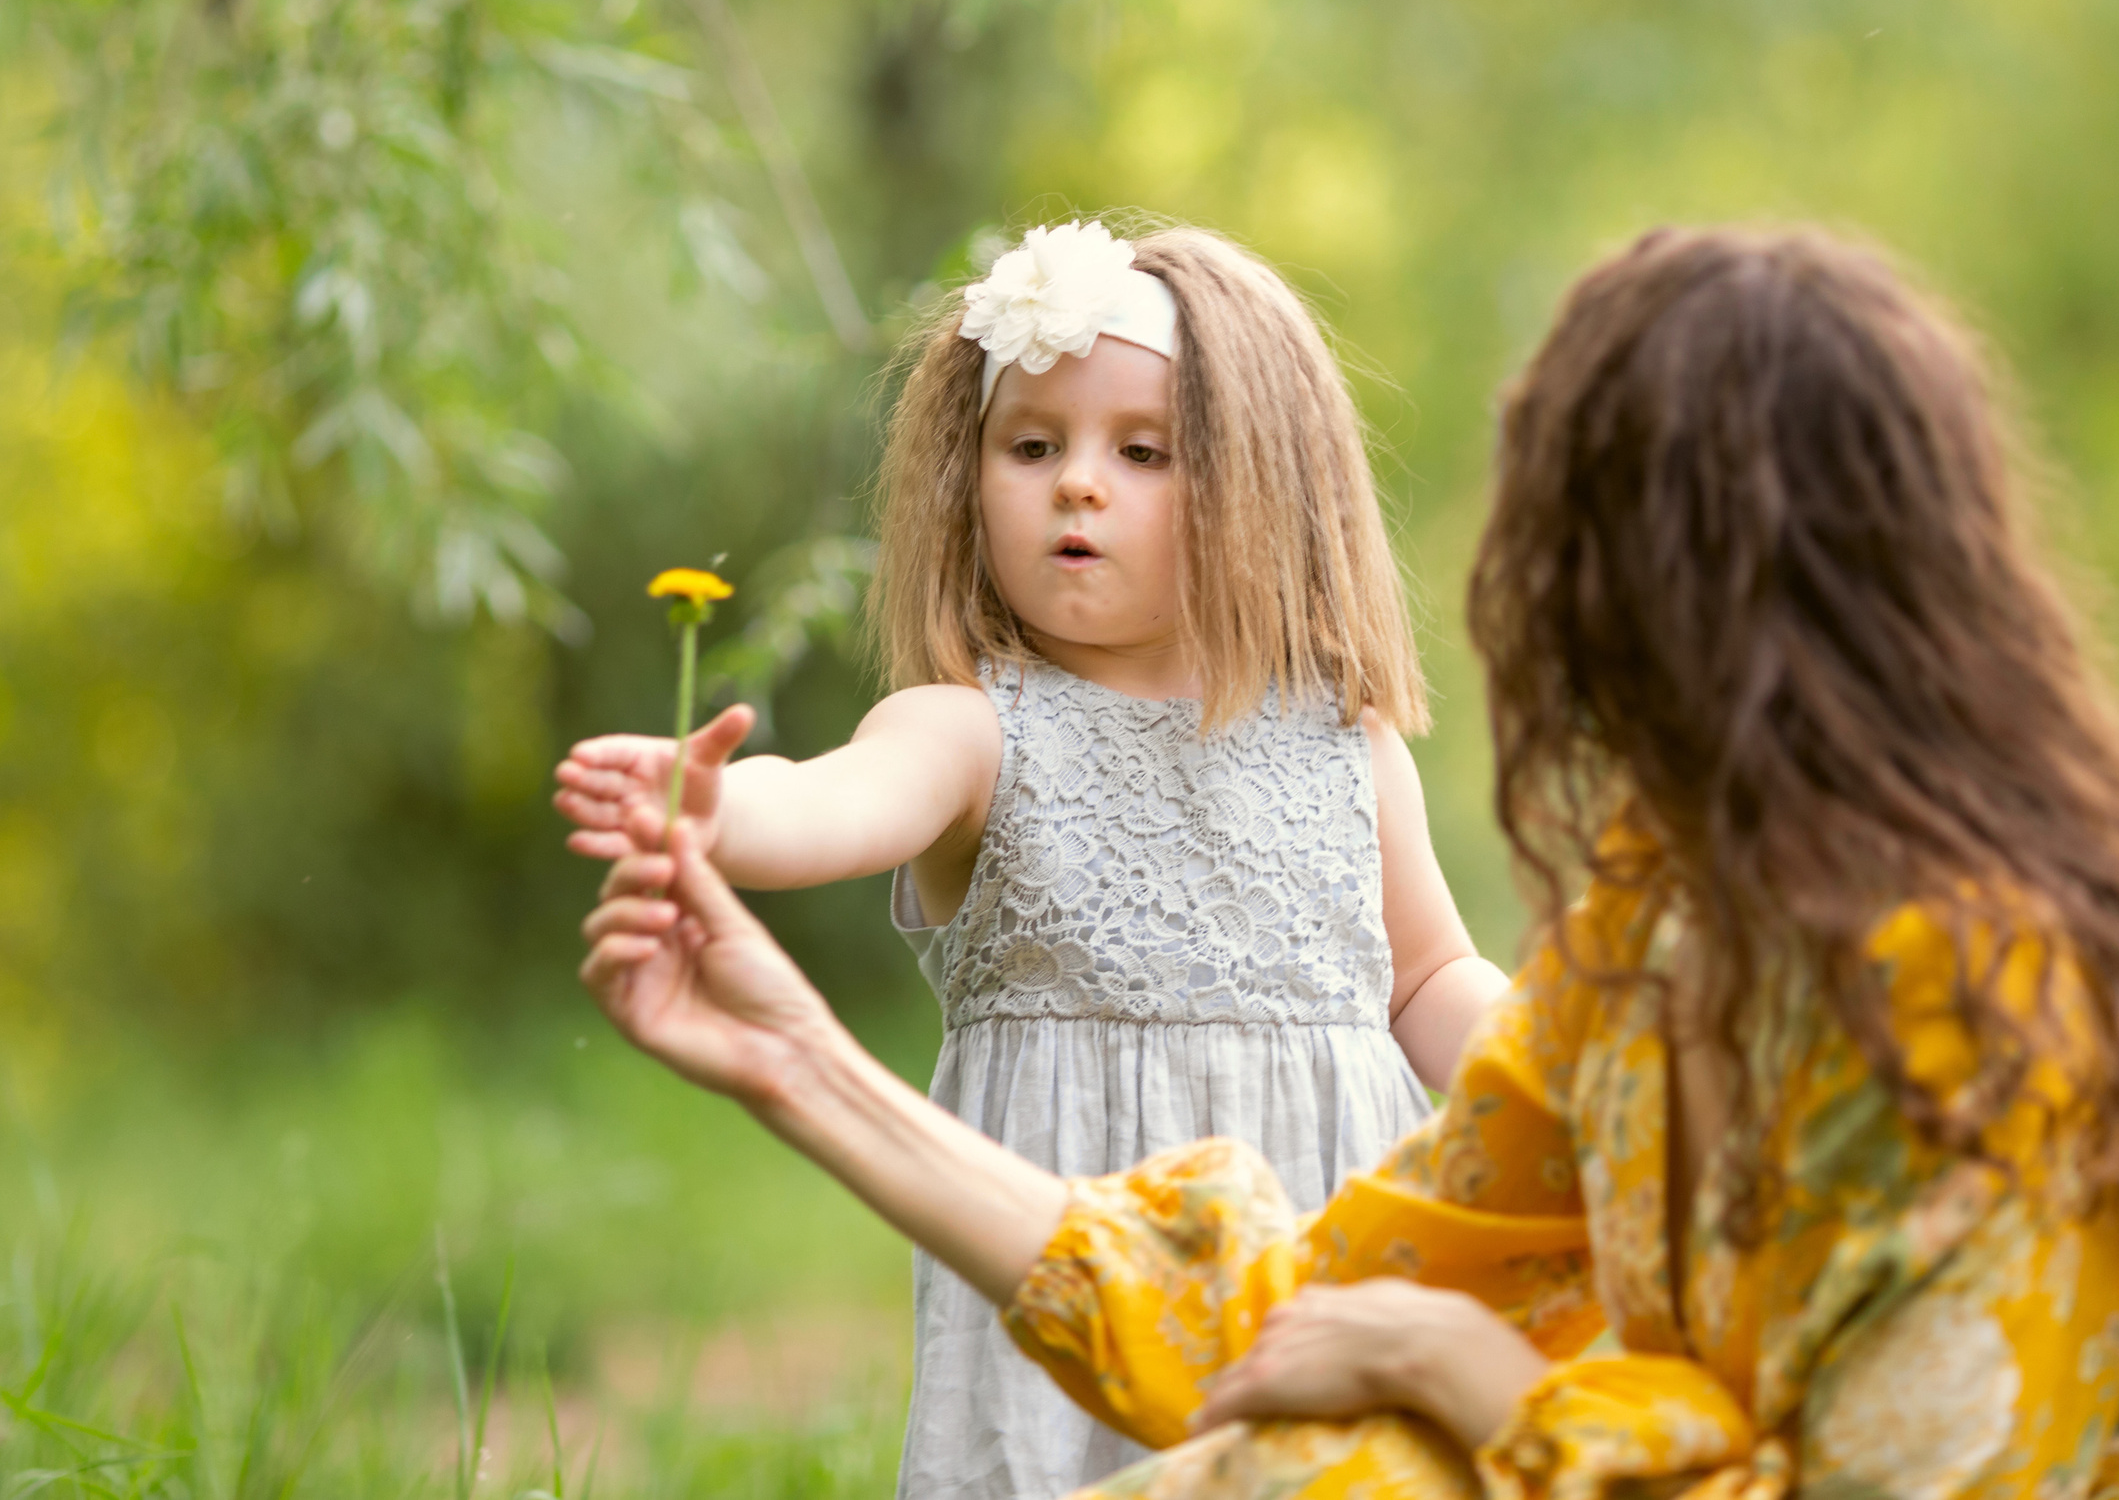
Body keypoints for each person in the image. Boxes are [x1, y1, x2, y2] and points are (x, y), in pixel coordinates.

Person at [575, 225, 2119, 1500]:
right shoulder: (1654, 925)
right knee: (1306, 1451)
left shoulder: (1981, 1015)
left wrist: (1479, 1383)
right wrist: (793, 1060)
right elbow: (1307, 1292)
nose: (1544, 602)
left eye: (1595, 542)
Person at [553, 220, 1510, 1499]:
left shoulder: (1345, 743)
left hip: (1321, 1276)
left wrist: (1566, 1081)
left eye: (1144, 452)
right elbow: (839, 800)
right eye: (1033, 445)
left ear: (1267, 485)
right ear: (969, 476)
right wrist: (717, 816)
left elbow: (1428, 978)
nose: (1077, 484)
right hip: (1061, 1298)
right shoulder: (974, 730)